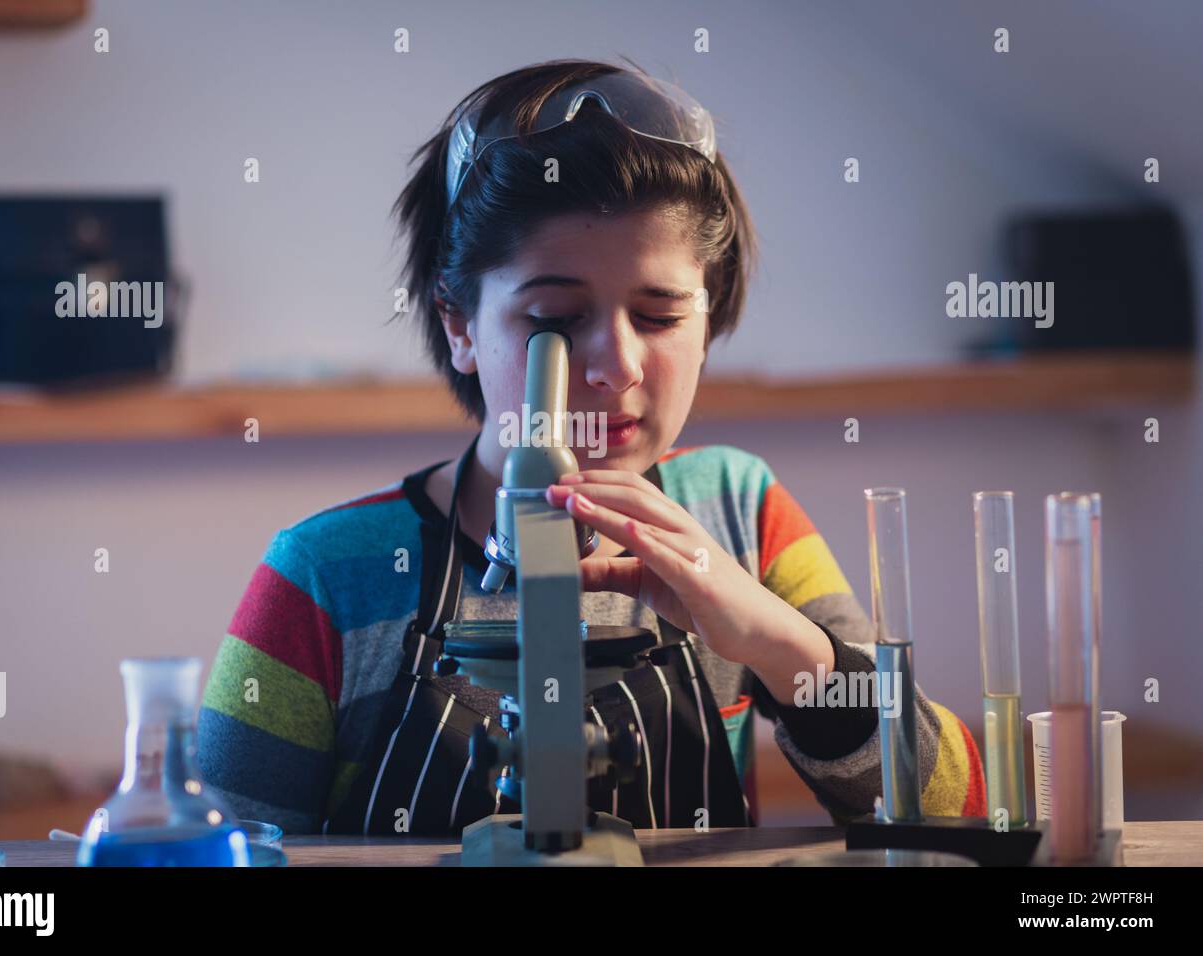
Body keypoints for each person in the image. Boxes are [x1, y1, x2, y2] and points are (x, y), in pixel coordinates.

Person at [197, 58, 985, 836]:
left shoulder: (740, 513)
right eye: (556, 319)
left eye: (658, 315)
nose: (617, 368)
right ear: (459, 324)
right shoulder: (324, 577)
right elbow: (219, 854)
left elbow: (953, 807)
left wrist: (782, 645)